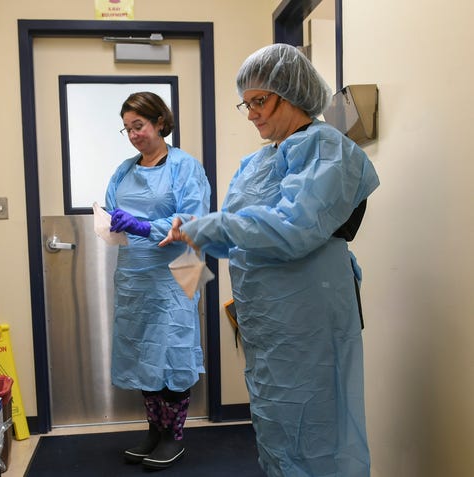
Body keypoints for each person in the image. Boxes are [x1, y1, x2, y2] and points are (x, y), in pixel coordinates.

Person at [160, 44, 380, 476]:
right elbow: (241, 236)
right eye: (247, 102)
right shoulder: (255, 163)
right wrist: (195, 230)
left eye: (260, 100)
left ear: (292, 92)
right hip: (267, 325)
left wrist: (212, 227)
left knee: (318, 432)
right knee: (276, 427)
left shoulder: (325, 147)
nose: (251, 113)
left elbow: (293, 228)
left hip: (309, 320)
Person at [105, 91, 211, 470]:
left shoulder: (185, 166)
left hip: (179, 267)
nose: (134, 134)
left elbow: (194, 217)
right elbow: (110, 208)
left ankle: (173, 436)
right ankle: (153, 430)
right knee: (143, 353)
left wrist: (147, 226)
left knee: (174, 349)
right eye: (128, 128)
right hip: (135, 272)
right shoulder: (124, 170)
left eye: (140, 126)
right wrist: (115, 222)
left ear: (161, 123)